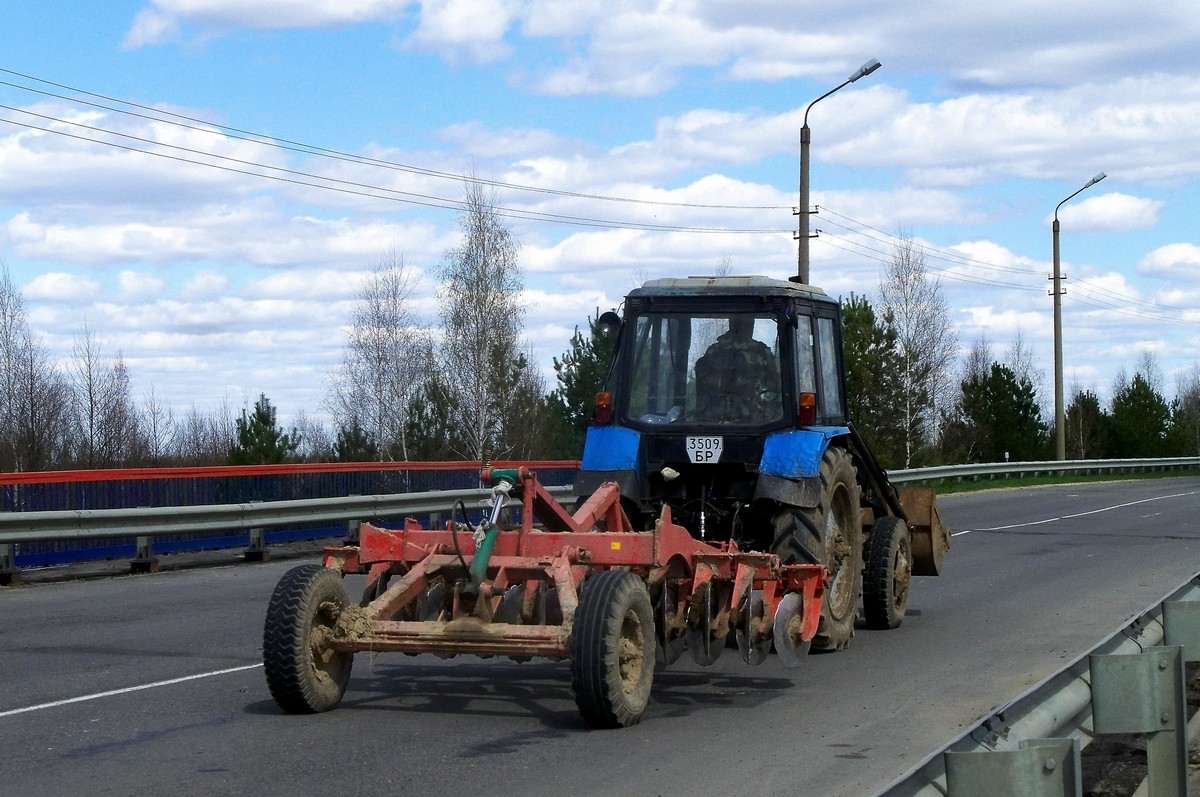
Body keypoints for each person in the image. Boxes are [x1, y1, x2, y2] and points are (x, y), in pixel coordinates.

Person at [693, 316, 780, 423]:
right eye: (749, 322)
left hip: (715, 418)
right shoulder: (760, 351)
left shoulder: (715, 349)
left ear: (731, 324)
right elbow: (774, 384)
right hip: (752, 417)